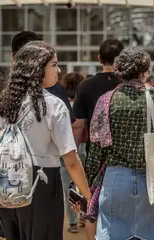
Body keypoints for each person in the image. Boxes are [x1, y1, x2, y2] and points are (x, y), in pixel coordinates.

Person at [0, 41, 91, 240]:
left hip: (6, 182)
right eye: (54, 64)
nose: (59, 69)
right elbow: (71, 161)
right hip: (42, 183)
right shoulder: (53, 105)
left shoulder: (7, 102)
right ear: (39, 69)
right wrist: (88, 197)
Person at [85, 47, 154, 239]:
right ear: (145, 71)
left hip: (116, 179)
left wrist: (88, 183)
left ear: (119, 70)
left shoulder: (106, 101)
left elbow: (96, 150)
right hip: (152, 179)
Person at [72, 39, 124, 239]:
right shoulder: (127, 85)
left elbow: (78, 124)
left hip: (94, 153)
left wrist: (74, 152)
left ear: (99, 59)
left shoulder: (86, 85)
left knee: (91, 202)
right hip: (123, 155)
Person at [60, 72, 85, 233]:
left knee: (68, 187)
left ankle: (73, 222)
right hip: (83, 147)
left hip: (65, 149)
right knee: (85, 185)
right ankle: (85, 214)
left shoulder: (61, 105)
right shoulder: (83, 105)